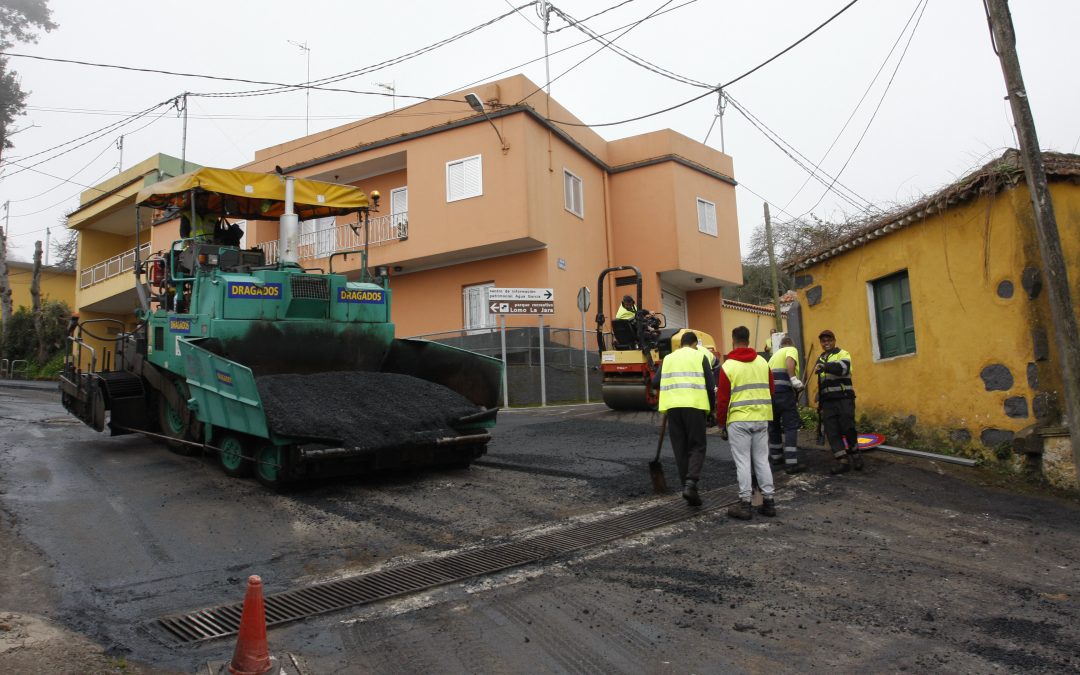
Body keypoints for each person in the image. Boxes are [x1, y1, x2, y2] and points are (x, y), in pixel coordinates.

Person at [718, 325, 776, 520]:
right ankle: (769, 501)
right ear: (749, 340)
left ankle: (745, 503)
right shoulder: (763, 362)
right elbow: (772, 390)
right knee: (761, 459)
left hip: (738, 420)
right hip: (761, 418)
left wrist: (721, 423)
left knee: (743, 461)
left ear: (733, 340)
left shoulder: (728, 366)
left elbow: (723, 400)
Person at [652, 331, 716, 507]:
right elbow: (710, 386)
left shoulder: (669, 358)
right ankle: (691, 483)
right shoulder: (699, 356)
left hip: (672, 407)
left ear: (681, 344)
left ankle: (688, 489)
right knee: (697, 445)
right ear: (695, 344)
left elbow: (655, 382)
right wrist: (712, 410)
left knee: (680, 448)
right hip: (694, 406)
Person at [814, 329, 861, 474]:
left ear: (834, 341)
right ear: (821, 343)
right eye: (823, 341)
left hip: (844, 398)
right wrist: (818, 397)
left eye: (829, 340)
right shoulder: (820, 358)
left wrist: (825, 367)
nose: (826, 343)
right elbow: (822, 381)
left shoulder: (842, 354)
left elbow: (844, 369)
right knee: (831, 431)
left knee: (848, 427)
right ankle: (842, 461)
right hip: (828, 402)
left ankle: (856, 454)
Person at [768, 336, 805, 474]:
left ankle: (776, 457)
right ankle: (791, 463)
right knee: (790, 427)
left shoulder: (772, 357)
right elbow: (790, 362)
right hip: (784, 394)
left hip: (771, 396)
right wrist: (794, 380)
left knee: (774, 426)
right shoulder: (791, 349)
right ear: (789, 345)